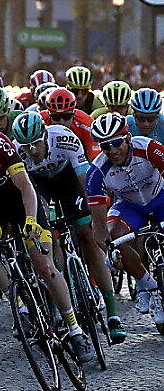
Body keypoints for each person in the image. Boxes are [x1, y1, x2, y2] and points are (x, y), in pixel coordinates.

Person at [0, 106, 95, 363]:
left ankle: (75, 329)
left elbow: (25, 186)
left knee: (45, 266)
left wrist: (33, 220)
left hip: (23, 202)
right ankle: (21, 308)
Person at [10, 112, 127, 342]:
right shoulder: (16, 152)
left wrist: (93, 216)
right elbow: (26, 192)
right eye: (26, 146)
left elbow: (85, 181)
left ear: (45, 134)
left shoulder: (63, 137)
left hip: (69, 181)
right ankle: (59, 288)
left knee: (88, 235)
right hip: (39, 187)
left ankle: (113, 314)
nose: (32, 150)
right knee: (50, 236)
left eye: (36, 143)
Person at [86, 113, 164, 327]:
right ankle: (148, 286)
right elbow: (99, 224)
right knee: (115, 238)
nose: (112, 150)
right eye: (105, 146)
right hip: (129, 206)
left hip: (160, 197)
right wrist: (108, 251)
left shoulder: (148, 148)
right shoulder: (96, 171)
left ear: (128, 137)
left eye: (116, 143)